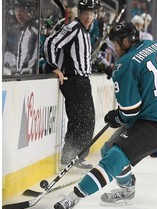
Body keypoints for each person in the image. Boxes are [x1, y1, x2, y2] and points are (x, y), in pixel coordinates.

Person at [52, 21, 157, 209]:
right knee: (108, 148)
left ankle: (74, 197)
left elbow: (130, 112)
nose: (114, 48)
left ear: (125, 41)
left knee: (115, 156)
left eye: (115, 44)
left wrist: (117, 117)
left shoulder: (125, 64)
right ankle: (127, 188)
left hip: (156, 124)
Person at [44, 0, 101, 169]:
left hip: (82, 81)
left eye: (91, 13)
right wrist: (54, 67)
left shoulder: (84, 31)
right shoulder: (73, 28)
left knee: (82, 120)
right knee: (83, 120)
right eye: (85, 13)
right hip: (74, 80)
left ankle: (71, 158)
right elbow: (50, 42)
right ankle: (72, 158)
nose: (88, 16)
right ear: (79, 13)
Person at [12, 0, 39, 75]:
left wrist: (21, 73)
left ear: (31, 11)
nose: (18, 14)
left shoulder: (34, 29)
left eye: (22, 10)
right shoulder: (25, 29)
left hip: (27, 78)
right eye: (16, 10)